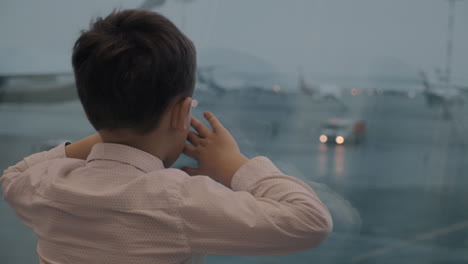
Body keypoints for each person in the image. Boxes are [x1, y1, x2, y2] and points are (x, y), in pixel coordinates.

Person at [1, 9, 332, 264]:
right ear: (181, 113)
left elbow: (13, 176)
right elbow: (309, 221)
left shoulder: (46, 185)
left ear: (89, 114)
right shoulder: (177, 201)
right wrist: (235, 165)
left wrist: (108, 131)